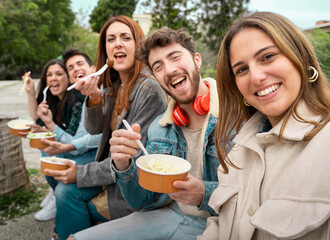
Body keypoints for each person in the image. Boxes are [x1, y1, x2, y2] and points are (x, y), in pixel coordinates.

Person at [198, 11, 330, 240]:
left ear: (301, 58)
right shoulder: (235, 154)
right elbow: (219, 224)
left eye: (267, 57)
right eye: (242, 69)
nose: (256, 77)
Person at [71, 27, 232, 240]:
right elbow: (141, 201)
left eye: (175, 57)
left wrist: (204, 193)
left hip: (225, 222)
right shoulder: (160, 127)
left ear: (197, 60)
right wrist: (123, 165)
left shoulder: (236, 115)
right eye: (158, 66)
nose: (170, 70)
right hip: (171, 214)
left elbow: (254, 194)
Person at [43, 16, 168, 240]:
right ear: (105, 49)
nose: (117, 43)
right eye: (111, 39)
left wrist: (80, 173)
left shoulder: (148, 90)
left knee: (66, 196)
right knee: (62, 186)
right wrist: (93, 98)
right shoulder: (115, 84)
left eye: (125, 37)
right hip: (109, 172)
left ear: (139, 45)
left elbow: (133, 160)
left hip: (131, 187)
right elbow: (95, 129)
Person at [22, 59, 101, 222]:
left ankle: (57, 196)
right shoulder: (57, 99)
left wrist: (49, 127)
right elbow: (37, 118)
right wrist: (30, 92)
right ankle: (54, 193)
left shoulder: (77, 100)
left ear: (68, 78)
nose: (53, 78)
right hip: (80, 148)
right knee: (46, 147)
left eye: (59, 74)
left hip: (92, 155)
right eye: (49, 75)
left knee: (51, 155)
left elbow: (74, 144)